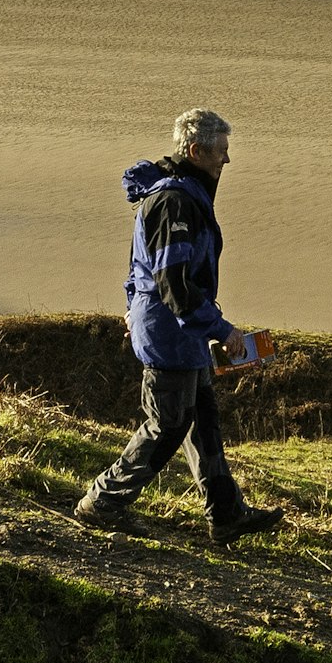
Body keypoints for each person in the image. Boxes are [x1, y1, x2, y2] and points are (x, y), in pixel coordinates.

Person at [71, 107, 285, 546]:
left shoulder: (180, 195)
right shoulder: (176, 202)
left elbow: (138, 269)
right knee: (168, 424)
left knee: (201, 419)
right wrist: (219, 328)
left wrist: (133, 310)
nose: (227, 161)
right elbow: (176, 283)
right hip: (172, 333)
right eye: (221, 152)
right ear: (195, 150)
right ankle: (104, 500)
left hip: (174, 330)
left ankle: (226, 514)